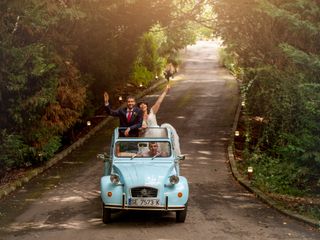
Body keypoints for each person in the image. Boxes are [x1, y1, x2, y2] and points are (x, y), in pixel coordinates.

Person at [138, 85, 181, 156]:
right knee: (145, 152)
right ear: (139, 107)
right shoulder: (138, 117)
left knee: (161, 151)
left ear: (146, 105)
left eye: (144, 104)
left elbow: (159, 102)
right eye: (141, 105)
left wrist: (165, 90)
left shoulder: (152, 111)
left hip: (157, 133)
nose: (143, 106)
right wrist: (141, 129)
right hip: (146, 135)